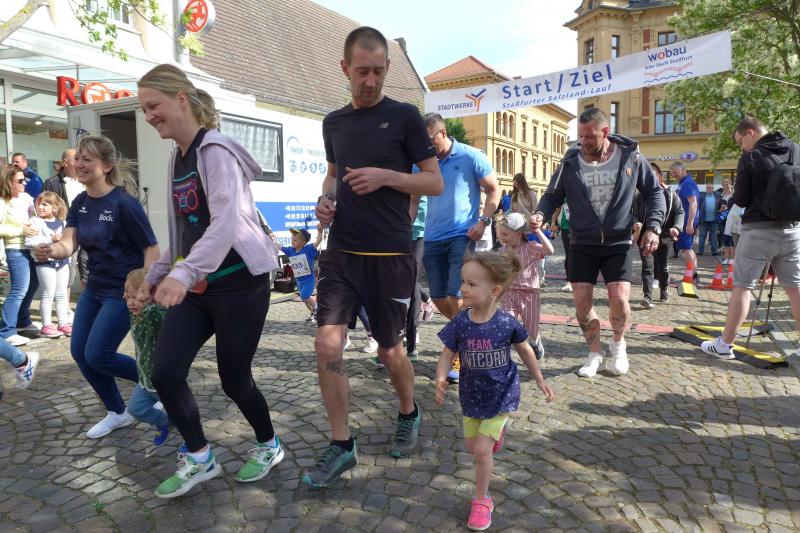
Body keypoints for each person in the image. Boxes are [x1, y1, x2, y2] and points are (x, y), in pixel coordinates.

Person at [302, 26, 443, 489]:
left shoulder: (404, 117)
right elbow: (332, 177)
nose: (370, 81)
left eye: (379, 71)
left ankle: (408, 411)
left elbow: (433, 181)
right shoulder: (334, 123)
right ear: (345, 68)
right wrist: (325, 201)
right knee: (327, 345)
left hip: (390, 254)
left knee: (388, 349)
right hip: (342, 252)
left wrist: (387, 176)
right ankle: (342, 443)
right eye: (362, 71)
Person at [136, 64, 283, 498]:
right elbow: (184, 232)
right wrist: (154, 278)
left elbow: (224, 224)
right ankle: (200, 457)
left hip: (240, 285)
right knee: (166, 373)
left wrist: (181, 274)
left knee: (234, 379)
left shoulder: (215, 151)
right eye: (144, 110)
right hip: (199, 288)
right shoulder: (176, 157)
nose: (149, 116)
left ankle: (269, 444)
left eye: (153, 106)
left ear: (181, 99)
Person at [32, 135, 160, 439]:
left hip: (121, 291)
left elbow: (152, 249)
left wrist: (145, 286)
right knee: (80, 352)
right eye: (78, 159)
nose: (79, 164)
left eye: (87, 159)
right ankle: (117, 412)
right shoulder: (80, 202)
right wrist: (51, 250)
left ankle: (161, 384)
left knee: (98, 354)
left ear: (107, 166)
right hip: (94, 288)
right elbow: (68, 244)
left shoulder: (124, 204)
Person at [530, 108, 665, 378]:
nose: (584, 141)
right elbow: (552, 195)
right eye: (580, 136)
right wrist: (541, 214)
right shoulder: (570, 160)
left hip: (618, 241)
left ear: (605, 131)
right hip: (582, 242)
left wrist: (654, 227)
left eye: (590, 136)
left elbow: (654, 192)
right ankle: (594, 353)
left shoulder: (630, 156)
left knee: (620, 300)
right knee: (582, 305)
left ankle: (618, 345)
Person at [434, 252, 554, 531]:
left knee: (481, 451)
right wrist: (440, 378)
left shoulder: (506, 323)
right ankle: (492, 439)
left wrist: (539, 379)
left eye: (471, 284)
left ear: (494, 291)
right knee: (472, 447)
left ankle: (482, 500)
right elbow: (447, 354)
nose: (463, 289)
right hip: (471, 396)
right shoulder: (460, 322)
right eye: (463, 282)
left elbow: (525, 350)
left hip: (501, 395)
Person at [702, 117, 800, 360]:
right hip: (792, 229)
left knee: (743, 286)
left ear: (750, 133)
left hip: (758, 231)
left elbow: (742, 199)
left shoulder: (751, 157)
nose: (741, 147)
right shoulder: (796, 149)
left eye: (740, 142)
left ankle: (724, 345)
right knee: (796, 289)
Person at [422, 113, 500, 322]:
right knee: (437, 297)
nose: (426, 146)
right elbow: (412, 200)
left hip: (462, 235)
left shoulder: (471, 156)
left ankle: (460, 338)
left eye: (429, 140)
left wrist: (483, 222)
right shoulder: (423, 162)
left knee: (456, 294)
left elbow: (494, 190)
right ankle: (466, 329)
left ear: (443, 132)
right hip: (431, 237)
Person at [123, 268, 171, 446]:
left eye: (138, 298)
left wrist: (152, 301)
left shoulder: (156, 315)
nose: (132, 303)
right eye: (128, 297)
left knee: (183, 415)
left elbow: (156, 315)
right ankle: (164, 422)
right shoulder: (135, 314)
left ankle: (193, 443)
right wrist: (133, 296)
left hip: (165, 383)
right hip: (145, 381)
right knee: (136, 409)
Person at [496, 212, 554, 359]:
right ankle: (504, 354)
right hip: (509, 293)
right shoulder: (503, 250)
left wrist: (537, 231)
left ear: (518, 234)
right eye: (500, 233)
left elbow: (550, 251)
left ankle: (535, 341)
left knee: (532, 327)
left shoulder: (531, 247)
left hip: (529, 294)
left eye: (505, 234)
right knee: (506, 322)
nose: (502, 237)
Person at [633, 162, 684, 307]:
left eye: (654, 174)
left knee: (662, 266)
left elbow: (680, 211)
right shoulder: (640, 196)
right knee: (647, 266)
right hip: (645, 235)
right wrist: (636, 223)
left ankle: (664, 290)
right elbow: (633, 213)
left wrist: (676, 227)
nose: (651, 177)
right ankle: (647, 296)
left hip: (665, 235)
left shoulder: (670, 193)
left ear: (659, 176)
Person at [44, 148, 87, 319]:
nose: (79, 162)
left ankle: (88, 306)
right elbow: (47, 207)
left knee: (88, 269)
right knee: (68, 270)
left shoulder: (85, 180)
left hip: (88, 230)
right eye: (75, 159)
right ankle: (66, 308)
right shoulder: (53, 183)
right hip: (68, 232)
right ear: (65, 163)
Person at [0, 164, 40, 347]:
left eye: (25, 179)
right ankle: (6, 331)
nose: (25, 183)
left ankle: (22, 320)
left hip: (31, 248)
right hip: (15, 249)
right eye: (20, 180)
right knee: (19, 289)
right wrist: (20, 230)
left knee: (33, 284)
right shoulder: (3, 201)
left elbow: (36, 216)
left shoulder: (26, 198)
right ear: (8, 181)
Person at [24, 191, 72, 338]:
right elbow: (29, 242)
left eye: (45, 204)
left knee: (61, 294)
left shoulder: (63, 222)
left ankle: (63, 323)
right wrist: (51, 239)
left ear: (55, 207)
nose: (40, 207)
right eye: (38, 204)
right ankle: (47, 325)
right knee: (48, 293)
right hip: (44, 262)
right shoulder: (34, 221)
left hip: (63, 262)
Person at [271, 227, 323, 322]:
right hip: (299, 280)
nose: (292, 242)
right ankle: (313, 312)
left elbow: (318, 241)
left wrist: (320, 232)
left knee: (305, 296)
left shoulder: (308, 249)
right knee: (304, 299)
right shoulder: (291, 250)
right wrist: (271, 241)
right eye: (292, 239)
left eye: (295, 240)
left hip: (308, 279)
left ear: (303, 242)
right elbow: (280, 246)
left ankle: (317, 307)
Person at [672, 162, 700, 280]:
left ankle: (692, 275)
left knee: (686, 248)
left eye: (675, 172)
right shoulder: (684, 183)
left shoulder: (687, 183)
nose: (673, 175)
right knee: (687, 248)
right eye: (672, 173)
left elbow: (693, 204)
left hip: (686, 221)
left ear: (683, 170)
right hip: (686, 221)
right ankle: (693, 274)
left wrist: (689, 224)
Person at [697, 182, 723, 256]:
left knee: (714, 237)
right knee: (702, 236)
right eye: (708, 188)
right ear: (706, 189)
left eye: (711, 188)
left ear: (713, 189)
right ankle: (700, 251)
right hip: (703, 220)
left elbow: (721, 205)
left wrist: (720, 212)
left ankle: (714, 251)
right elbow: (698, 207)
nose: (709, 189)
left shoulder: (717, 196)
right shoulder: (701, 196)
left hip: (714, 220)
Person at [551, 204, 572, 292]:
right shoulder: (564, 195)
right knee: (569, 253)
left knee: (580, 254)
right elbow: (558, 209)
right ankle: (569, 280)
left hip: (580, 226)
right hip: (566, 227)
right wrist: (553, 222)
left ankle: (581, 279)